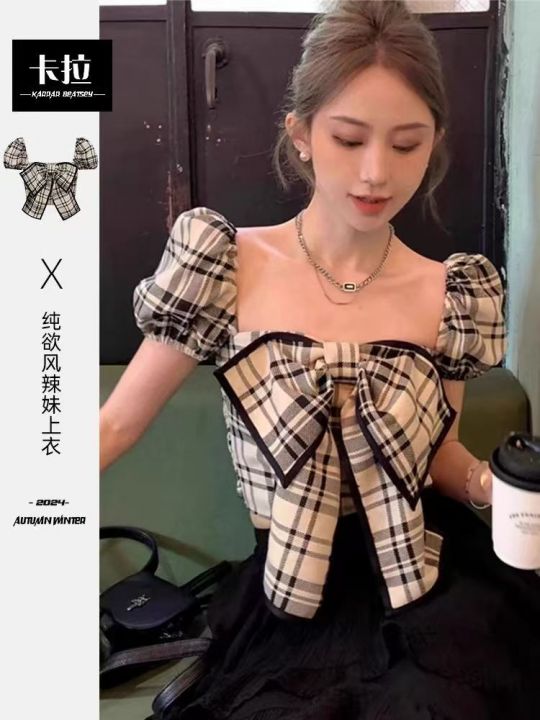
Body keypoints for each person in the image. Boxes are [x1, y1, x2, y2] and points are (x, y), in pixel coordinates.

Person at [100, 1, 540, 717]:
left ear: (434, 144)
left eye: (406, 145)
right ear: (300, 134)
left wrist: (496, 487)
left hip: (423, 571)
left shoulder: (453, 292)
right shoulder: (225, 265)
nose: (375, 173)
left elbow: (438, 456)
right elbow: (114, 427)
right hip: (290, 591)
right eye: (348, 138)